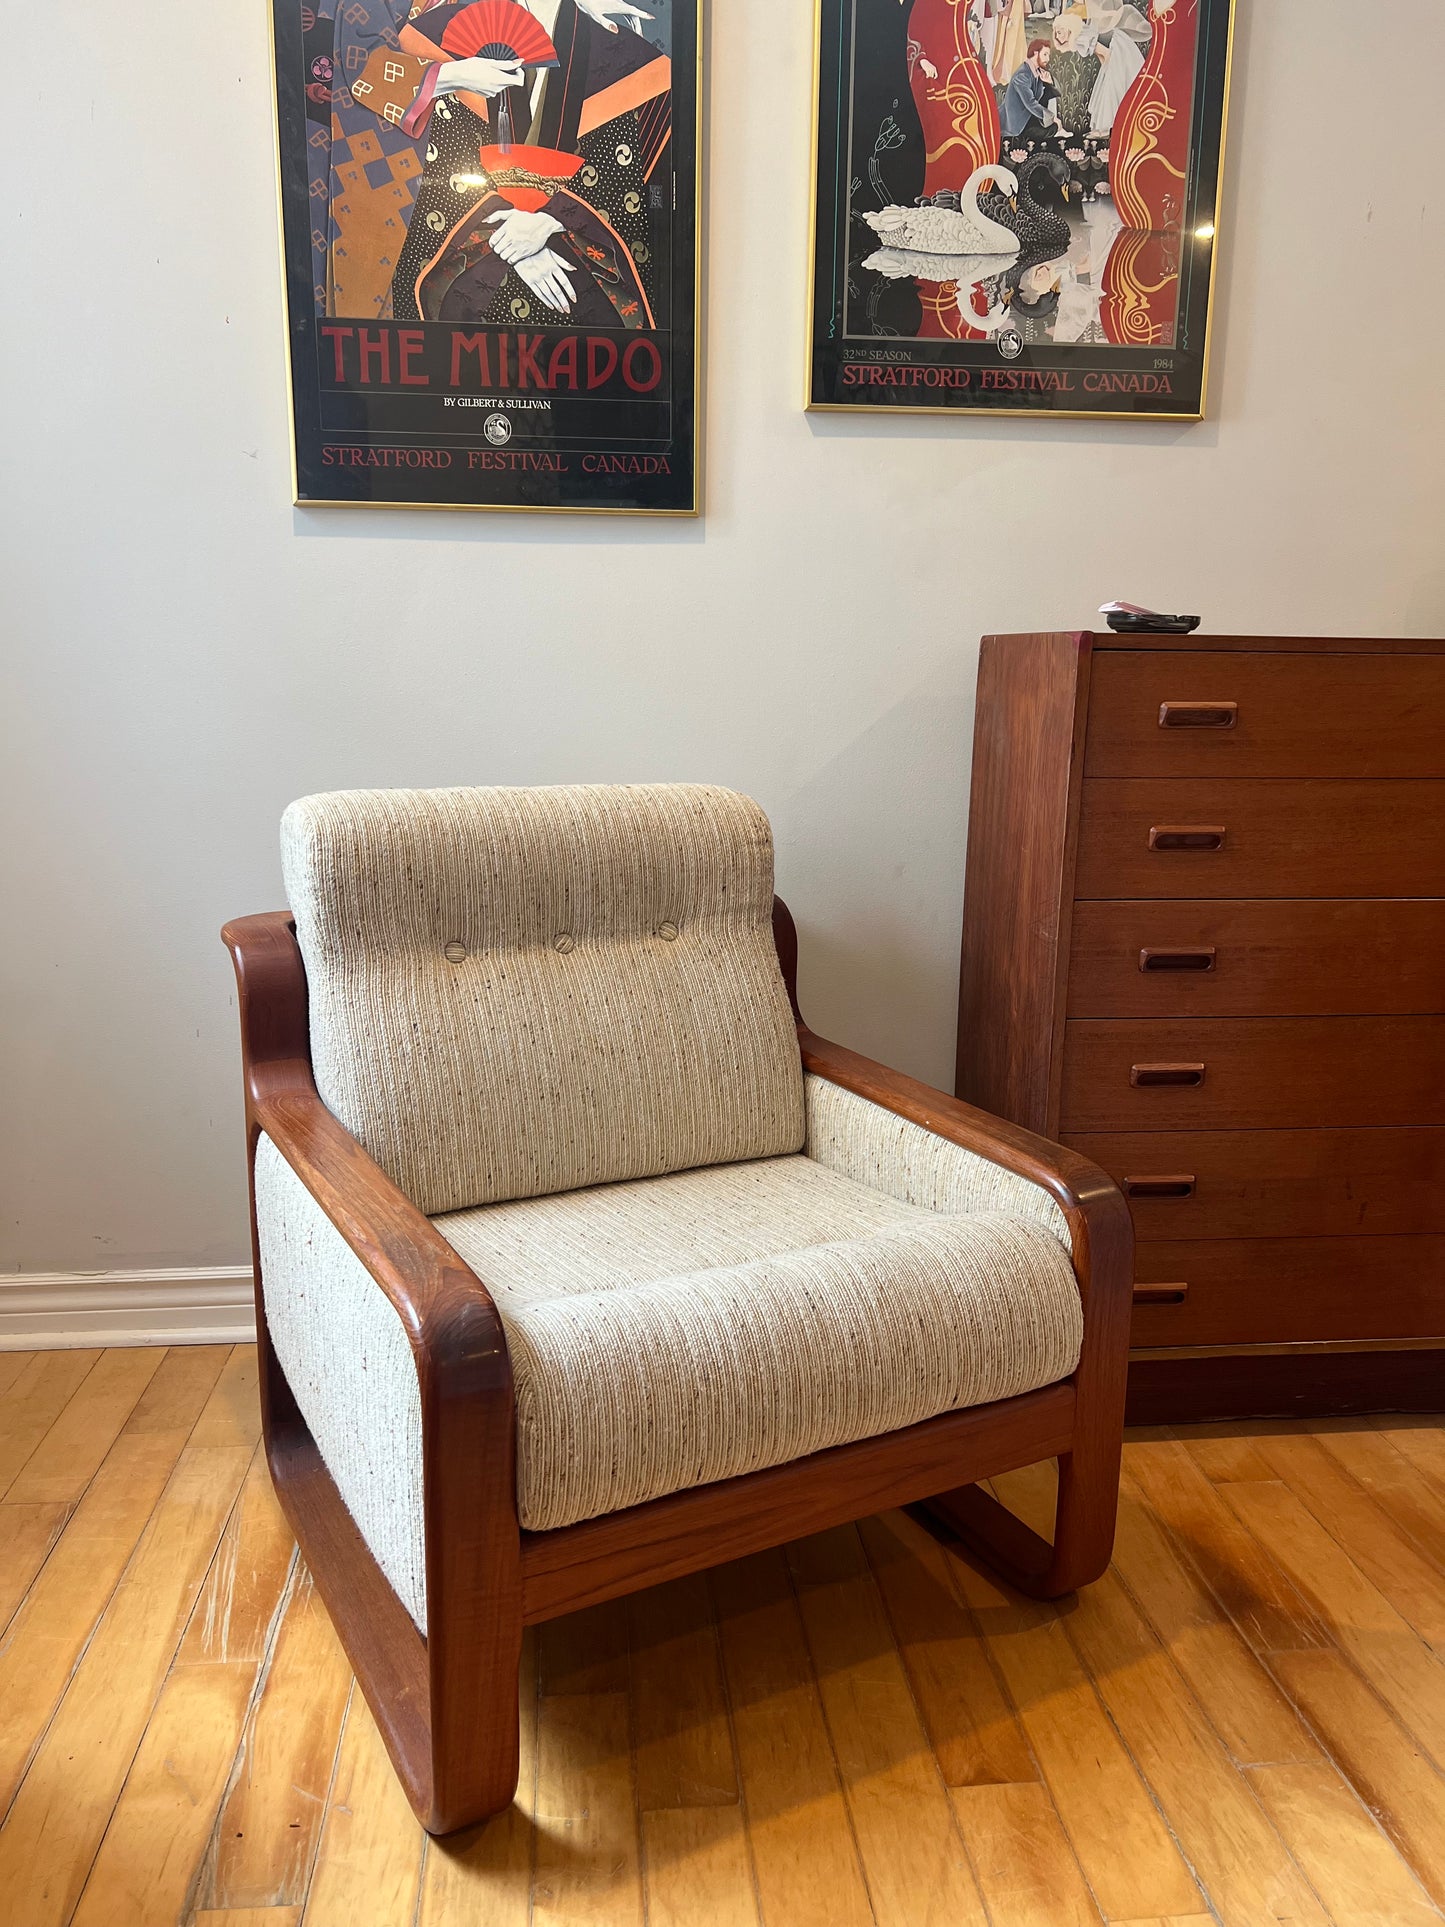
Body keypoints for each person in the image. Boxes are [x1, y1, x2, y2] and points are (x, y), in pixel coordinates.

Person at [998, 40, 1064, 142]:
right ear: (1035, 53)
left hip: (1029, 117)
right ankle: (1056, 129)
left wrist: (1049, 82)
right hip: (1016, 124)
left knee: (1048, 90)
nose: (1048, 59)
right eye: (1045, 54)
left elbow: (1053, 95)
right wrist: (1052, 118)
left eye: (1048, 55)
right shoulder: (1022, 75)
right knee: (1052, 128)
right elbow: (1031, 103)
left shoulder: (1036, 71)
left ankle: (1057, 129)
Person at [1088, 27, 1145, 136]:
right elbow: (1103, 58)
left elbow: (1105, 56)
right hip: (1111, 44)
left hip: (1114, 44)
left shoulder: (1091, 37)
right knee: (1112, 84)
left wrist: (1108, 69)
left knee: (1115, 84)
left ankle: (1111, 126)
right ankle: (1110, 126)